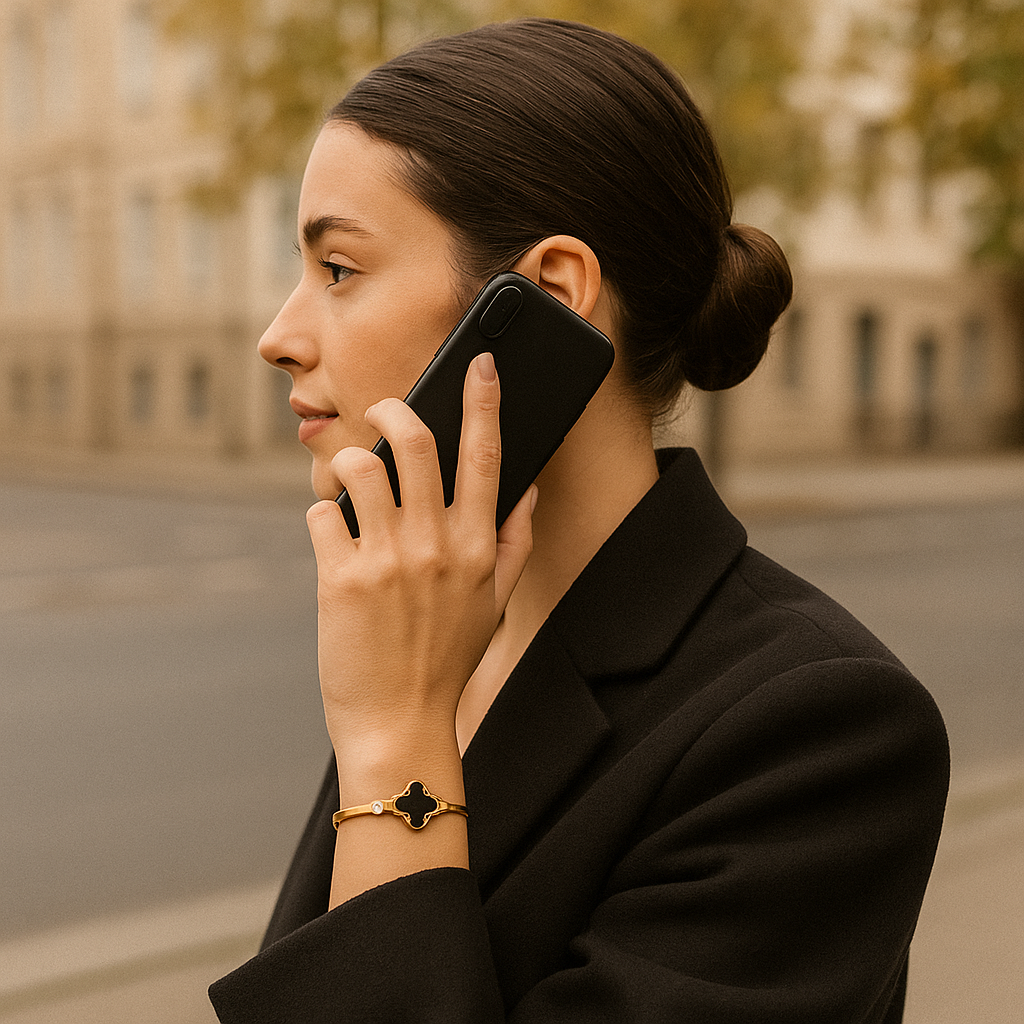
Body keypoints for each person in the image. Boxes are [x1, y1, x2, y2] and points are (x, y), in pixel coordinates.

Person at [209, 18, 948, 1024]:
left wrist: (393, 739)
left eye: (338, 269)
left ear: (549, 295)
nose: (277, 336)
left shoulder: (819, 728)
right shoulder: (440, 631)